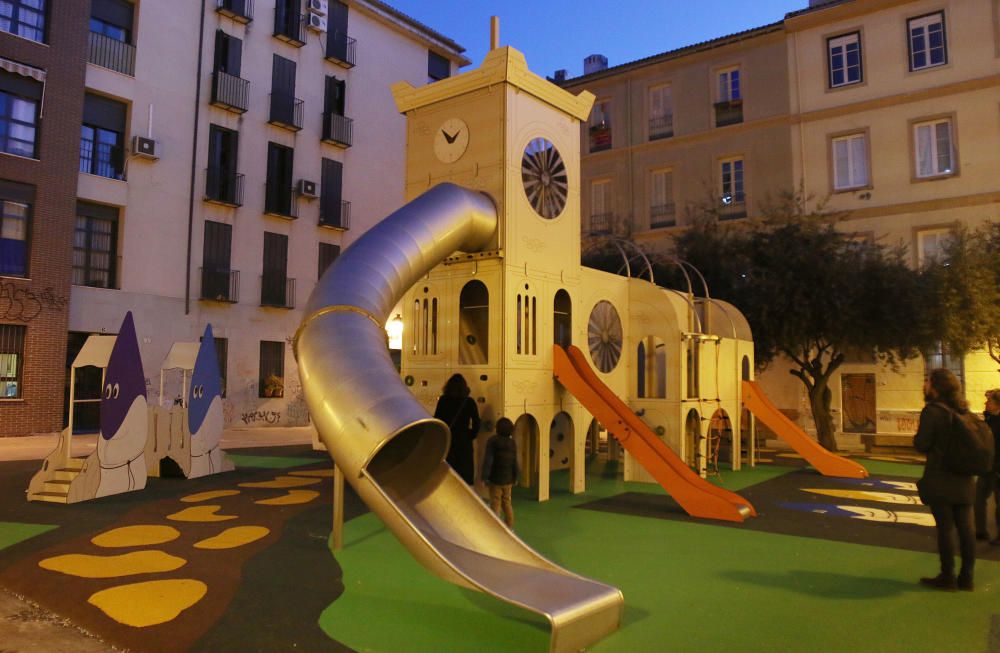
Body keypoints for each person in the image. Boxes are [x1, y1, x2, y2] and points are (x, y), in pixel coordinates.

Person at [914, 368, 977, 591]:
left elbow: (921, 444)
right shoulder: (964, 410)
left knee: (945, 529)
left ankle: (947, 576)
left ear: (936, 386)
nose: (924, 385)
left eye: (927, 381)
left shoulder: (933, 411)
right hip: (965, 478)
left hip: (941, 477)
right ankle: (967, 578)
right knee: (966, 529)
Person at [433, 373, 480, 485]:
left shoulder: (443, 400)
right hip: (464, 442)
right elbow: (476, 422)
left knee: (448, 474)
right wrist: (471, 435)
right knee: (464, 474)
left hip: (448, 440)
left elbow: (438, 419)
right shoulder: (469, 402)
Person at [481, 417, 519, 529]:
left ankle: (495, 527)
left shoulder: (493, 441)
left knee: (495, 502)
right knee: (507, 502)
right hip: (508, 479)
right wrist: (515, 477)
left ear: (497, 429)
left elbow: (488, 460)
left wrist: (484, 477)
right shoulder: (512, 443)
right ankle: (510, 526)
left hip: (495, 479)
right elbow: (514, 462)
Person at [974, 389, 1000, 542]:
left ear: (997, 405)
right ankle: (980, 531)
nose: (985, 403)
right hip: (986, 467)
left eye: (989, 401)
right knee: (978, 499)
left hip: (997, 469)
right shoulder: (988, 419)